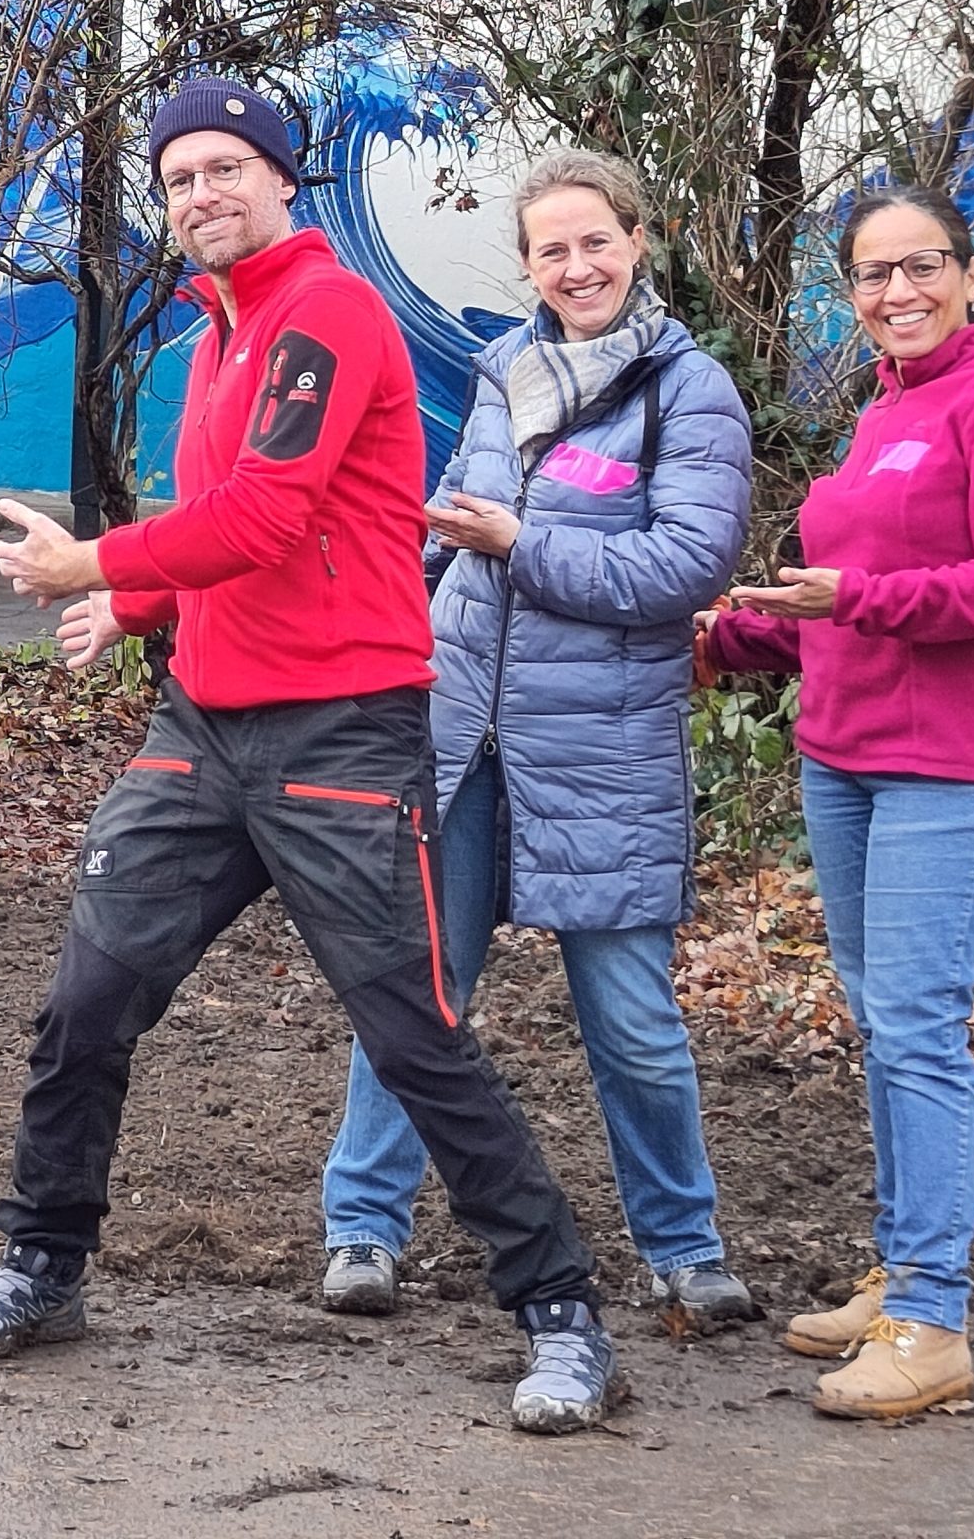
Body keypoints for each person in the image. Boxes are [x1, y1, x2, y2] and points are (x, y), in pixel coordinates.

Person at [0, 76, 621, 1435]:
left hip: (341, 731)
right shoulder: (222, 331)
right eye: (180, 177)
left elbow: (266, 513)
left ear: (280, 179)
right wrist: (136, 603)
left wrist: (96, 561)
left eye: (226, 169)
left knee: (412, 1034)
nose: (203, 194)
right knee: (85, 1005)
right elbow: (231, 530)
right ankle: (42, 1268)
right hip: (202, 729)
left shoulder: (327, 312)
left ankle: (561, 1314)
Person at [316, 150, 758, 1327]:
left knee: (632, 1022)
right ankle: (362, 1228)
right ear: (527, 265)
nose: (576, 267)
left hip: (604, 752)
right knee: (415, 992)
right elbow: (448, 537)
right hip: (459, 735)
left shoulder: (688, 391)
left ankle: (684, 1247)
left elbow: (684, 566)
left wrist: (519, 544)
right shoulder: (500, 368)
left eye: (595, 242)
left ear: (637, 242)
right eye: (551, 250)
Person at [702, 185, 974, 1419]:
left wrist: (850, 599)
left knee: (915, 1028)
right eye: (871, 274)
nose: (896, 292)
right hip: (842, 758)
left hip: (952, 766)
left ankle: (931, 1321)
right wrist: (731, 635)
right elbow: (837, 606)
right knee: (883, 1023)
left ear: (970, 275)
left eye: (920, 267)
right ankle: (903, 1270)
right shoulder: (878, 412)